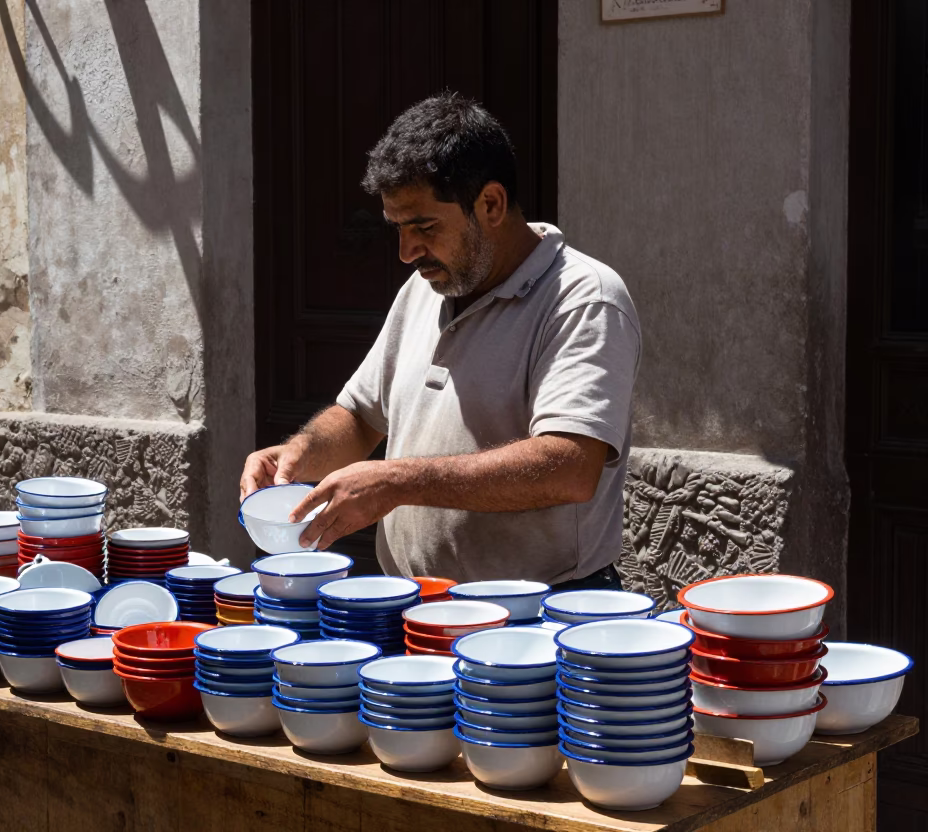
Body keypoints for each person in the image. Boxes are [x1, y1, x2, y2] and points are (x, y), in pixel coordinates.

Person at [239, 93, 641, 590]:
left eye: (425, 227)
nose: (407, 252)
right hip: (417, 607)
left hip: (537, 614)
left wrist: (397, 481)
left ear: (490, 203)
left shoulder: (584, 298)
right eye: (398, 229)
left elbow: (570, 467)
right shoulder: (425, 288)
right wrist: (297, 453)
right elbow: (362, 416)